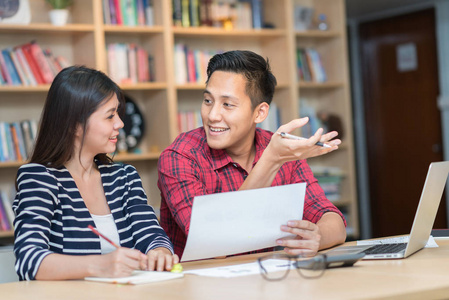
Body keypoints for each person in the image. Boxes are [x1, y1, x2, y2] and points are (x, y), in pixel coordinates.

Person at [158, 50, 347, 258]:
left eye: (227, 104)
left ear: (260, 112)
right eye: (208, 101)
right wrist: (272, 159)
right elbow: (213, 240)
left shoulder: (279, 149)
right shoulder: (180, 157)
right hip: (196, 284)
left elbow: (334, 222)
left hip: (262, 280)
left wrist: (317, 237)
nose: (212, 115)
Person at [13, 66, 178, 281]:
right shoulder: (39, 178)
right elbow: (29, 261)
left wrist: (160, 252)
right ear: (74, 125)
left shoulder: (124, 176)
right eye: (110, 116)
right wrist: (101, 265)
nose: (120, 123)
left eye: (118, 114)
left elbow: (151, 234)